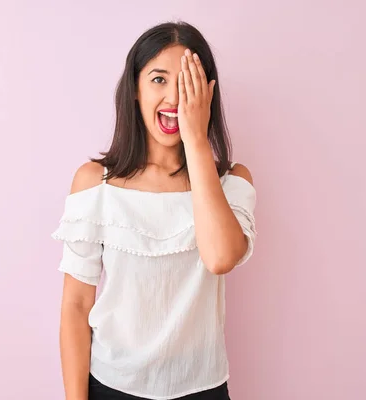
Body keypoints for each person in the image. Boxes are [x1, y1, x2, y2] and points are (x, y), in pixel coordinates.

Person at [52, 20, 258, 400]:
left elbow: (219, 258)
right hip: (111, 386)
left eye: (186, 83)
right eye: (159, 79)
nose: (174, 99)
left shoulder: (232, 182)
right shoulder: (95, 184)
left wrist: (196, 139)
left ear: (206, 95)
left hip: (202, 387)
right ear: (135, 88)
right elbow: (76, 306)